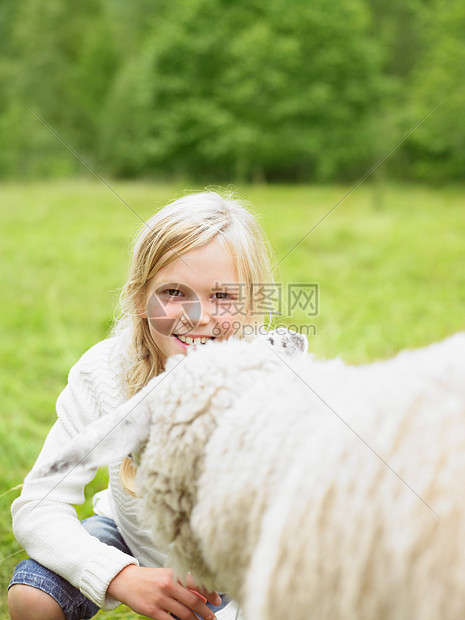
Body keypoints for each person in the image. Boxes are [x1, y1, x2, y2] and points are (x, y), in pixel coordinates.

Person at [8, 190, 276, 620]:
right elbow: (38, 504)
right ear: (139, 297)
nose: (197, 315)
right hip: (131, 537)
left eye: (223, 296)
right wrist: (120, 575)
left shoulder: (274, 382)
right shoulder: (104, 372)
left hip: (241, 563)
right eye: (173, 291)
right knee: (32, 597)